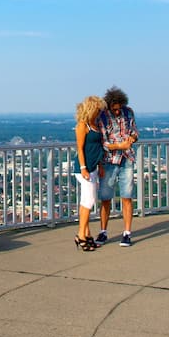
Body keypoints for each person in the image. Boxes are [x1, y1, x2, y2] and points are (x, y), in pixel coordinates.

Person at [97, 86, 139, 247]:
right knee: (105, 198)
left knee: (127, 196)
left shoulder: (128, 112)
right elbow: (104, 142)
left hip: (127, 159)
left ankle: (127, 233)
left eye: (119, 108)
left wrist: (132, 138)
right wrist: (119, 146)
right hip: (109, 160)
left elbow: (135, 131)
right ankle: (103, 231)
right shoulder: (102, 116)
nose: (117, 111)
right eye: (114, 109)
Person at [74, 96, 106, 251]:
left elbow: (97, 147)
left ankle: (86, 233)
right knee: (90, 201)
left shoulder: (95, 124)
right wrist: (83, 168)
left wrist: (100, 166)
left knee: (85, 202)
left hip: (93, 166)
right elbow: (80, 148)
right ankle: (81, 235)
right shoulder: (82, 125)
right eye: (98, 110)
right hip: (85, 168)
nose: (99, 113)